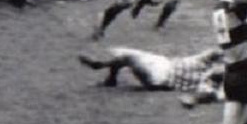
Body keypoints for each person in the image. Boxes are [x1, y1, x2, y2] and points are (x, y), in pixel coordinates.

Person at [78, 45, 224, 93]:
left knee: (128, 58)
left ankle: (99, 66)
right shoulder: (203, 63)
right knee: (122, 52)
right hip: (162, 63)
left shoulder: (206, 85)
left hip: (159, 79)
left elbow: (213, 93)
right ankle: (110, 79)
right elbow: (214, 52)